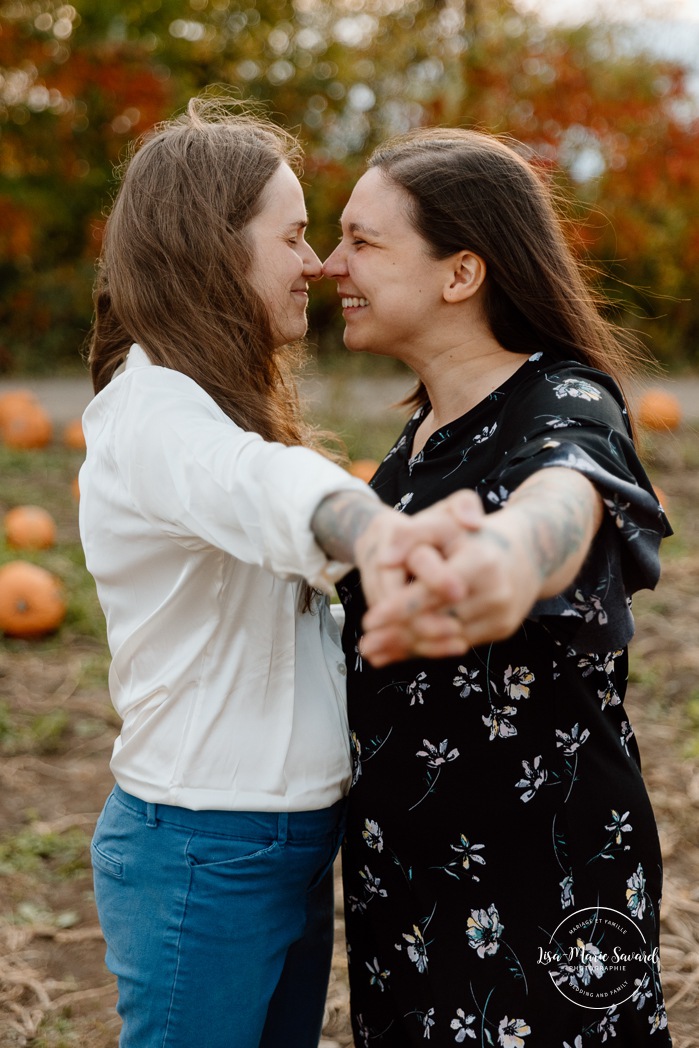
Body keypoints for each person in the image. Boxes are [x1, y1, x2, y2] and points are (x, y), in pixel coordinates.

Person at [79, 100, 471, 1048]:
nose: (318, 263)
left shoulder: (210, 403)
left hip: (276, 835)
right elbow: (268, 489)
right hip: (205, 847)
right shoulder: (154, 413)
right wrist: (370, 533)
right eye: (294, 236)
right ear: (211, 249)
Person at [322, 128, 674, 1046]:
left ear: (460, 273)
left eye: (362, 241)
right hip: (405, 883)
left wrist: (512, 559)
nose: (330, 265)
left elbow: (569, 491)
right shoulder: (411, 449)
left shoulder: (561, 397)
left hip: (541, 876)